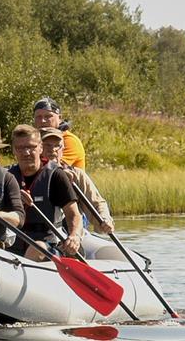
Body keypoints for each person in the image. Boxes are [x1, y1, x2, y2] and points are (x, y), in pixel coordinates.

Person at [8, 124, 83, 260]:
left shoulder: (56, 175)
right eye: (20, 148)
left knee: (37, 247)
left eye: (31, 147)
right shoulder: (7, 176)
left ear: (40, 148)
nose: (26, 153)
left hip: (49, 245)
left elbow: (73, 214)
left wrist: (74, 236)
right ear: (14, 150)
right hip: (14, 245)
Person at [40, 127, 113, 234]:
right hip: (39, 233)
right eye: (47, 145)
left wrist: (104, 220)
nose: (53, 150)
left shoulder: (77, 175)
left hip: (71, 232)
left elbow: (97, 203)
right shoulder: (31, 174)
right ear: (39, 148)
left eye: (57, 146)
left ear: (63, 149)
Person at [33, 97, 85, 169]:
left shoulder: (68, 140)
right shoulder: (33, 138)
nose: (43, 121)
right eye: (38, 117)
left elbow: (53, 168)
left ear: (59, 118)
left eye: (48, 116)